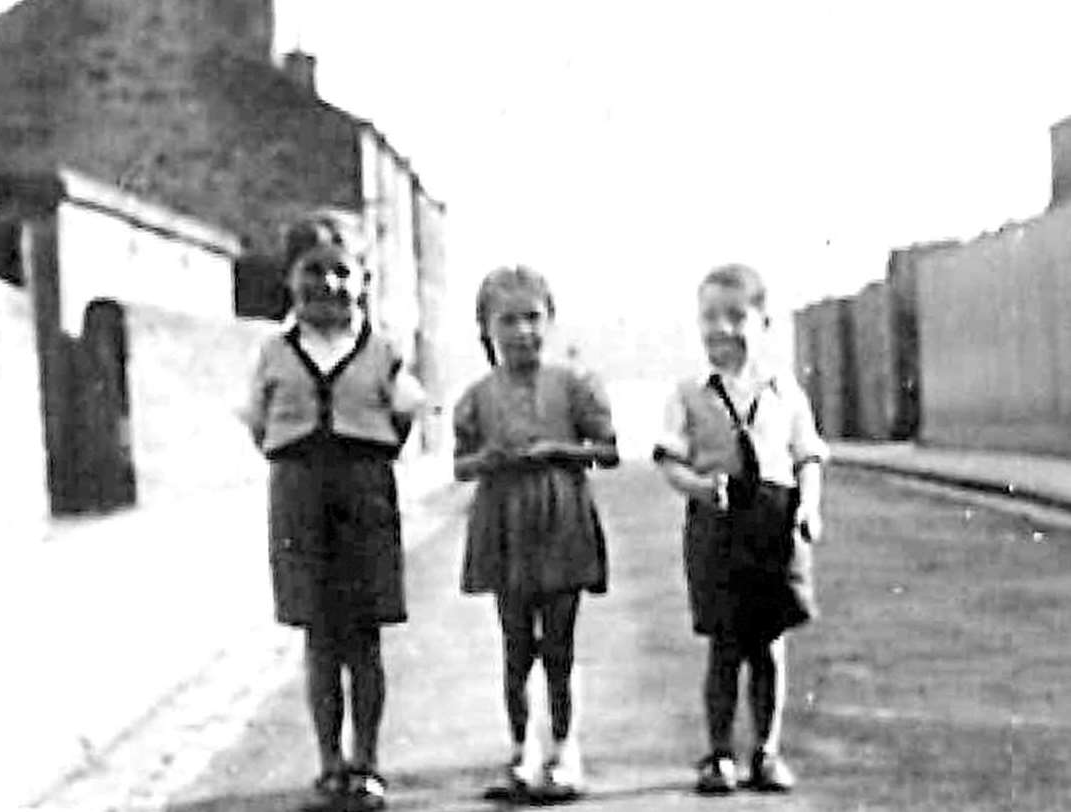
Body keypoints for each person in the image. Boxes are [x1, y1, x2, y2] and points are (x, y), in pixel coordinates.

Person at [240, 217, 425, 810]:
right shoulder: (272, 351)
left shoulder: (386, 351)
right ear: (289, 279)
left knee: (364, 638)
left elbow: (404, 418)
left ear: (364, 279)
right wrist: (296, 457)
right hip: (298, 496)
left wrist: (364, 454)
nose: (329, 284)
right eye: (312, 271)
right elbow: (257, 421)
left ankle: (367, 762)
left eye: (342, 271)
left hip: (366, 494)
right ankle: (328, 763)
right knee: (320, 638)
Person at [653, 263, 827, 794]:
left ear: (764, 322)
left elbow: (807, 457)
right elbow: (668, 460)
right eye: (710, 317)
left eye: (735, 316)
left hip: (774, 524)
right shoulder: (688, 393)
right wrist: (699, 488)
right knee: (725, 646)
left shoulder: (785, 391)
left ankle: (767, 752)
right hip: (718, 524)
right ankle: (719, 753)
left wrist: (810, 507)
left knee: (770, 645)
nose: (721, 329)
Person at [453, 266, 619, 799]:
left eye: (533, 318)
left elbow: (609, 449)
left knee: (561, 646)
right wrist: (489, 459)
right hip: (505, 523)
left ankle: (565, 747)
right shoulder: (478, 395)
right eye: (508, 320)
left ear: (550, 321)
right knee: (515, 643)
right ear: (486, 329)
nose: (523, 331)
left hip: (560, 517)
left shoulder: (573, 385)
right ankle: (521, 749)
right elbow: (460, 464)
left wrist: (559, 451)